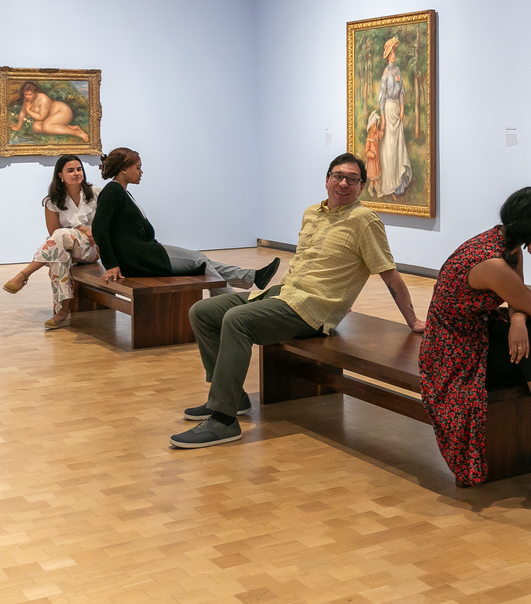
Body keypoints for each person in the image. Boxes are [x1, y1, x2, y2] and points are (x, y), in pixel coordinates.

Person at [170, 153, 426, 449]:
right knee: (203, 311)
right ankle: (231, 396)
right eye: (337, 176)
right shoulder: (312, 213)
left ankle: (223, 419)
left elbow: (389, 274)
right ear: (327, 179)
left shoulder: (365, 221)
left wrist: (413, 320)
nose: (343, 183)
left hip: (314, 309)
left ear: (362, 187)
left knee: (237, 321)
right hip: (285, 294)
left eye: (352, 179)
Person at [420, 187, 531, 502]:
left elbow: (519, 299)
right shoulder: (495, 263)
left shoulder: (503, 243)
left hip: (477, 333)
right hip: (452, 352)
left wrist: (516, 321)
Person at [91, 147, 278, 292]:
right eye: (138, 168)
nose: (141, 172)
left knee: (202, 262)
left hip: (146, 253)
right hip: (140, 258)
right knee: (200, 261)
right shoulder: (113, 191)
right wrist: (112, 265)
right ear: (124, 169)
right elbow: (100, 229)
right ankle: (228, 305)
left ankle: (251, 277)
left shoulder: (121, 192)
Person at [2, 155, 101, 329]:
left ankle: (24, 274)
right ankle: (62, 311)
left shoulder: (96, 194)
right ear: (60, 175)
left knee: (61, 236)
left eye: (79, 169)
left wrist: (89, 232)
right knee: (58, 255)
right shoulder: (52, 201)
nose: (76, 173)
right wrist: (81, 228)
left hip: (93, 248)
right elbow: (53, 233)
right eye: (70, 170)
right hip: (68, 249)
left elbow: (107, 224)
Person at [377, 37, 413, 199]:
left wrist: (402, 108)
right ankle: (389, 183)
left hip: (397, 110)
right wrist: (383, 119)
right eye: (391, 53)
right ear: (387, 55)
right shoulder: (385, 73)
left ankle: (399, 183)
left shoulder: (397, 70)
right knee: (389, 148)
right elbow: (382, 98)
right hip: (389, 109)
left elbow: (402, 91)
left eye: (394, 52)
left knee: (398, 145)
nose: (393, 55)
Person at [9, 81, 90, 142]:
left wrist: (28, 110)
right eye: (25, 94)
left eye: (29, 94)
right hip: (51, 117)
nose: (27, 97)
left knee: (46, 127)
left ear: (35, 93)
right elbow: (23, 112)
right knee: (36, 127)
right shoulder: (28, 99)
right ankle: (71, 127)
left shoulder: (43, 99)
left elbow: (41, 117)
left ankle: (77, 133)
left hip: (63, 112)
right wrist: (18, 126)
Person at [365, 111, 383, 197]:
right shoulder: (369, 138)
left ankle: (370, 188)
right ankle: (378, 192)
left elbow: (382, 134)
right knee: (375, 178)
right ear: (370, 127)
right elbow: (366, 151)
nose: (375, 128)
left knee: (374, 179)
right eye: (374, 126)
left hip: (376, 161)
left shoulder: (377, 135)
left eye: (376, 125)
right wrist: (371, 154)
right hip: (372, 162)